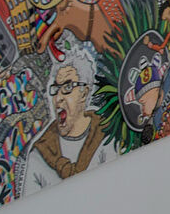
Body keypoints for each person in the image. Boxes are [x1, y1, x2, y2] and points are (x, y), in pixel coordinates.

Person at [20, 43, 118, 193]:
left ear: (84, 93)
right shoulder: (38, 156)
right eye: (56, 89)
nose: (58, 97)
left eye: (67, 87)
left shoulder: (107, 134)